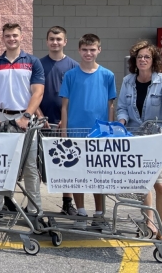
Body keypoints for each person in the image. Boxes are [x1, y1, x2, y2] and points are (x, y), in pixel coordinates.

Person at [116, 40, 162, 249]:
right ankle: (149, 222)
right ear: (134, 61)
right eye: (139, 57)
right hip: (137, 139)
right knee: (144, 184)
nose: (142, 60)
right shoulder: (129, 81)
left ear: (153, 60)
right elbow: (122, 107)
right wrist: (121, 121)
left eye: (146, 57)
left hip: (159, 139)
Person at [0, 23, 44, 214]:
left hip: (25, 119)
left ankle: (34, 208)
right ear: (3, 38)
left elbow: (38, 92)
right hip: (1, 118)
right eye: (8, 36)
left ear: (21, 37)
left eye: (15, 35)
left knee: (30, 166)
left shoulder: (33, 62)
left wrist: (26, 116)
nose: (11, 39)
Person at [59, 34, 117, 232]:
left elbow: (111, 106)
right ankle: (81, 212)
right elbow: (64, 107)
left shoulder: (107, 75)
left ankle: (100, 214)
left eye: (92, 49)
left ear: (99, 50)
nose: (88, 53)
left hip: (98, 135)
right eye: (85, 50)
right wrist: (64, 133)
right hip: (75, 132)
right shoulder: (71, 76)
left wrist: (108, 132)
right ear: (79, 51)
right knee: (77, 175)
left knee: (98, 175)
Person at [37, 26, 79, 216]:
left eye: (59, 39)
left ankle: (67, 202)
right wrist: (38, 114)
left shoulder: (74, 66)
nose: (55, 42)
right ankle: (34, 202)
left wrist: (66, 119)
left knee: (66, 164)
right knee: (36, 164)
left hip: (64, 125)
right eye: (52, 39)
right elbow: (31, 94)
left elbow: (77, 97)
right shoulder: (38, 65)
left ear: (65, 41)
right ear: (47, 41)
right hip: (41, 123)